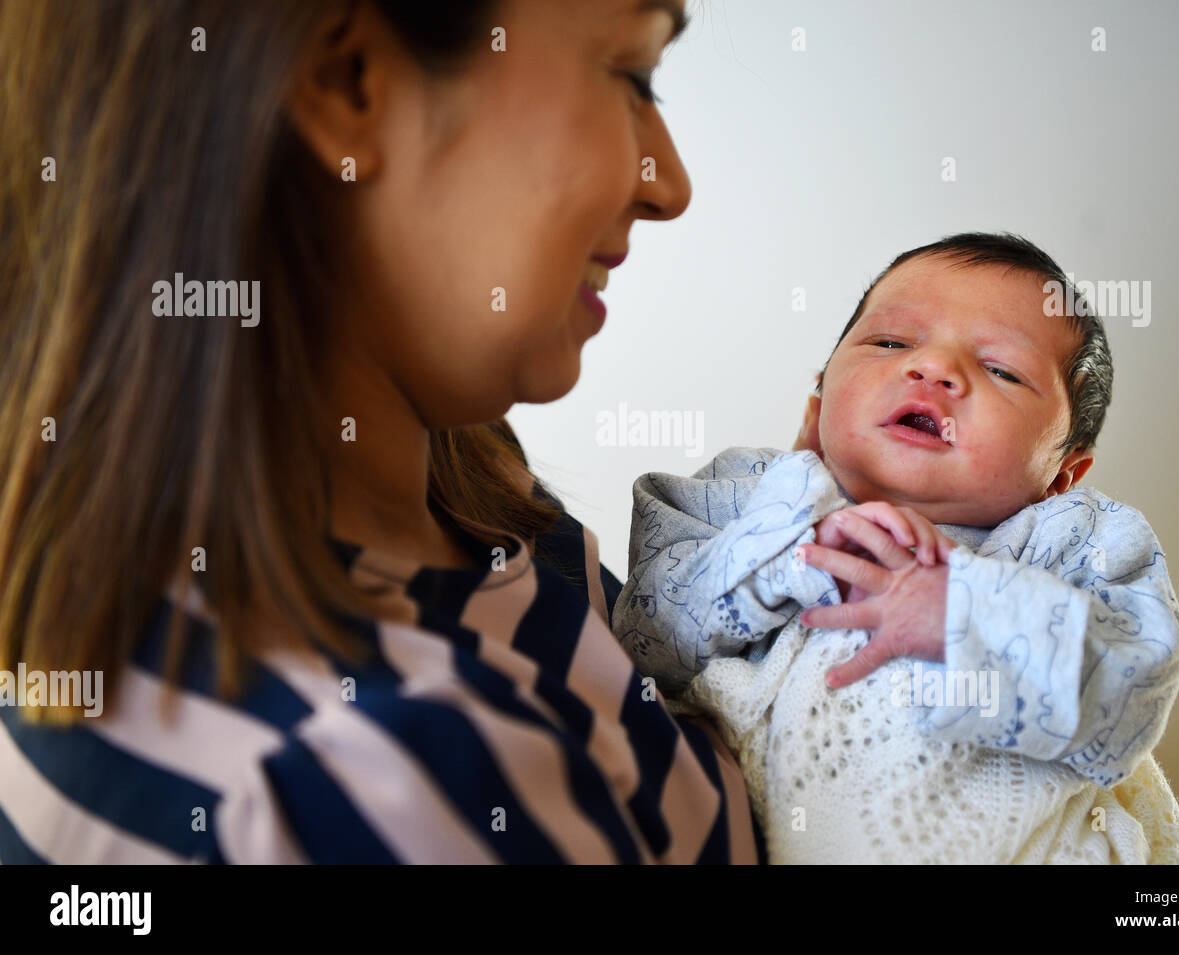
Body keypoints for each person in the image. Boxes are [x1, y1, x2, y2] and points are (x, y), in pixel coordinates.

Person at [0, 0, 759, 863]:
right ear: (347, 83)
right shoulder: (365, 795)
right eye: (633, 74)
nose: (671, 185)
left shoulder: (477, 495)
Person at [611, 233, 1179, 863]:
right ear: (817, 404)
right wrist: (792, 552)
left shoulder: (1073, 538)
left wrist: (962, 611)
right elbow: (648, 639)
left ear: (1060, 476)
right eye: (891, 342)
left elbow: (1135, 689)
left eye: (1001, 370)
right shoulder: (748, 495)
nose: (934, 369)